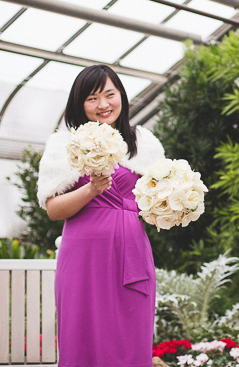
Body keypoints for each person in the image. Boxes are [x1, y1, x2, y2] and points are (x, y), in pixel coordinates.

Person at [37, 64, 165, 367]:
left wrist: (168, 208)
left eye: (110, 94)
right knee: (83, 337)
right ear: (79, 104)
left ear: (122, 96)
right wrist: (91, 189)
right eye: (92, 98)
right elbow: (53, 209)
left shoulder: (144, 143)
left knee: (131, 337)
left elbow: (154, 204)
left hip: (132, 252)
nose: (104, 105)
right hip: (83, 257)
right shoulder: (63, 145)